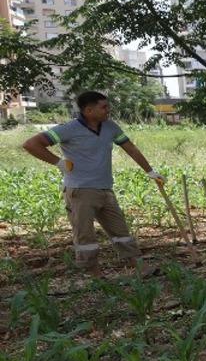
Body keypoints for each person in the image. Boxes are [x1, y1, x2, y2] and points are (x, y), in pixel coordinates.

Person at [22, 91, 163, 276]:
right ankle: (94, 273)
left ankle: (139, 267)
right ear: (88, 110)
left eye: (108, 106)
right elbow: (31, 144)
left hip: (105, 188)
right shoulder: (68, 129)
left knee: (120, 230)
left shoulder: (111, 127)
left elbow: (131, 148)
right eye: (103, 107)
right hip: (80, 191)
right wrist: (59, 163)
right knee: (85, 235)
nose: (108, 110)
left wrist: (150, 171)